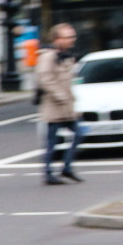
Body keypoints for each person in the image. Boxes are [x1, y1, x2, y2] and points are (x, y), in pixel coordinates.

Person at [37, 22, 83, 185]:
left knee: (79, 133)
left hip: (67, 108)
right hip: (54, 108)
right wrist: (61, 96)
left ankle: (67, 168)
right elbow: (45, 80)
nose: (72, 39)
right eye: (68, 37)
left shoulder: (67, 56)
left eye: (73, 36)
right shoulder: (48, 56)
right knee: (52, 142)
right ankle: (48, 174)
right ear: (58, 39)